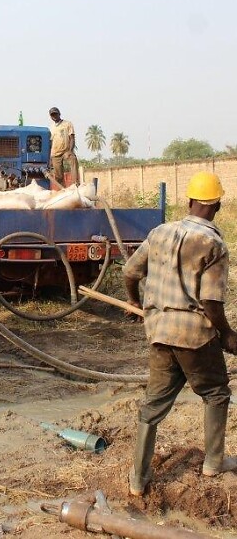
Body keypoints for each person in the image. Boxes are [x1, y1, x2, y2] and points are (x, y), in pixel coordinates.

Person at [123, 171, 237, 496]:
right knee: (215, 392)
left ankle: (138, 479)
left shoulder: (159, 232)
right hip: (194, 336)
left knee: (152, 406)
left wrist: (134, 301)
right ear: (217, 206)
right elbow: (211, 302)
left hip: (160, 332)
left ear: (188, 201)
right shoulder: (213, 244)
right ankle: (214, 462)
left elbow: (130, 271)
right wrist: (227, 334)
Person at [48, 106, 79, 186]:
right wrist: (50, 157)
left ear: (59, 114)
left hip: (66, 150)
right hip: (55, 153)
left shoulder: (67, 124)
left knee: (73, 159)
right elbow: (50, 143)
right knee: (58, 175)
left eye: (55, 114)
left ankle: (75, 184)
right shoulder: (51, 128)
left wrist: (70, 150)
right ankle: (61, 189)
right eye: (52, 115)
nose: (54, 116)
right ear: (50, 116)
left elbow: (72, 138)